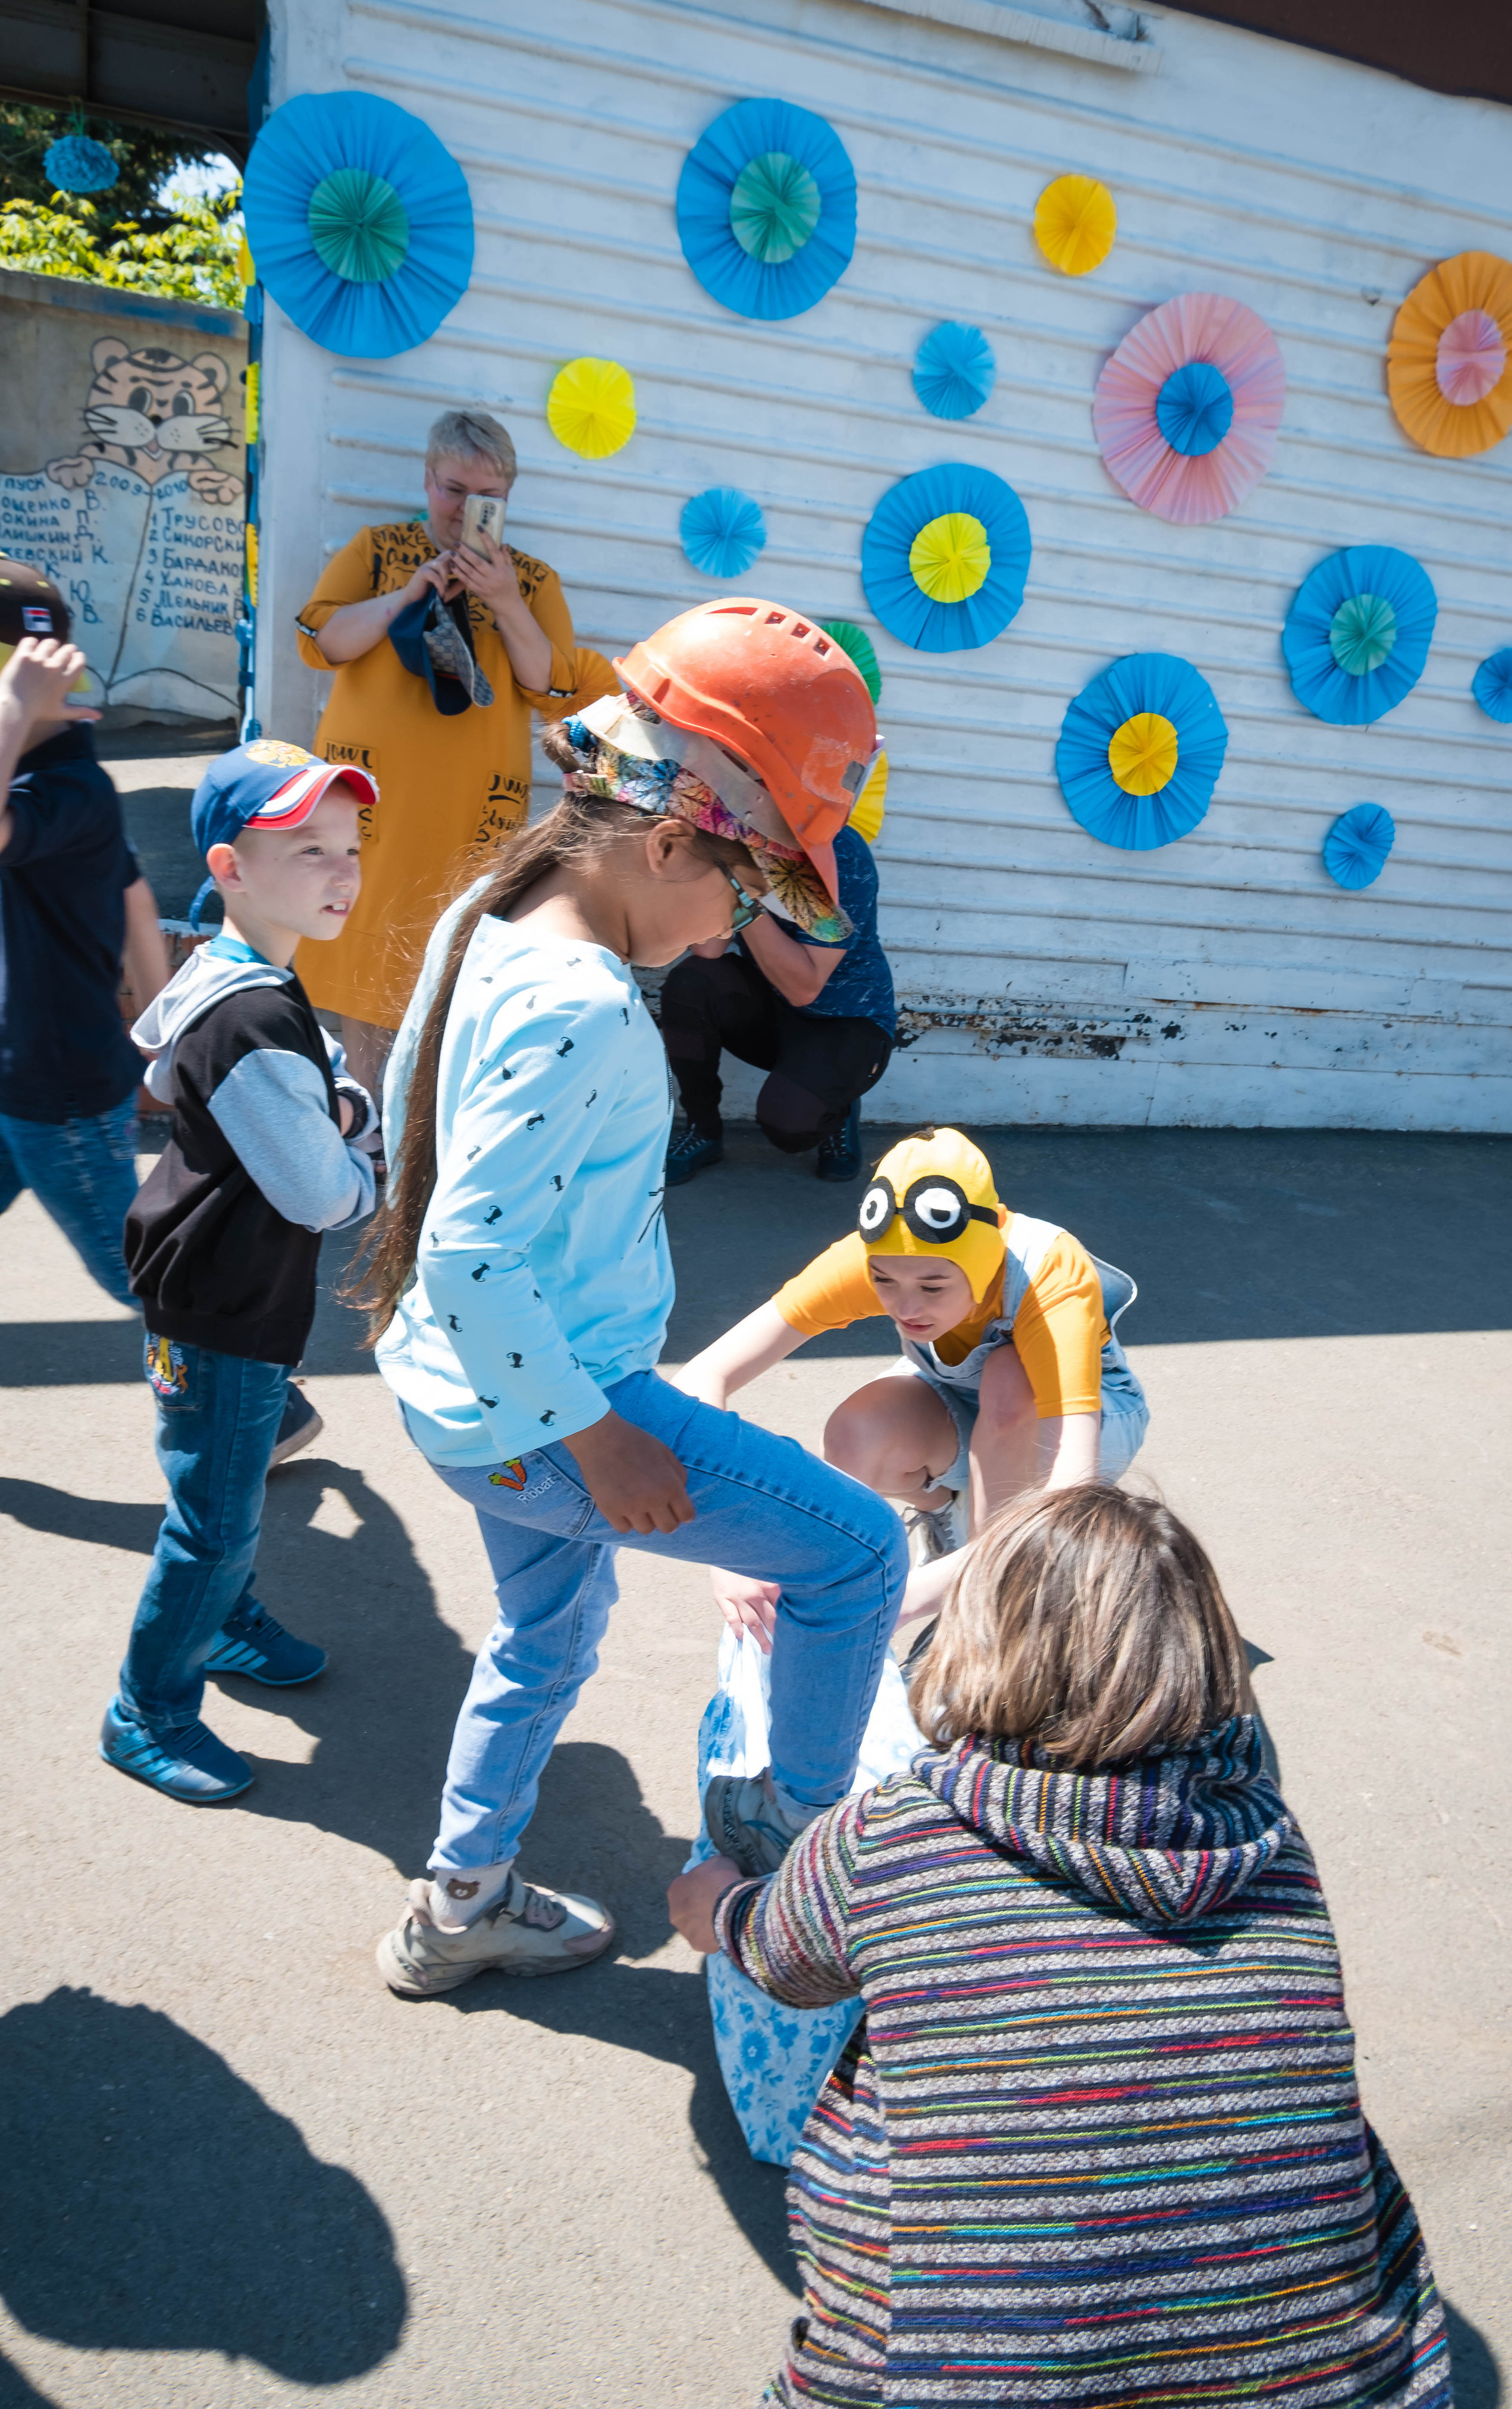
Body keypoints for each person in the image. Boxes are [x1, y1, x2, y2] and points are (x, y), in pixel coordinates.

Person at [353, 599, 906, 1998]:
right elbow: (470, 1254)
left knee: (545, 1632)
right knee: (852, 1555)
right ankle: (792, 1869)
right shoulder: (588, 1005)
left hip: (454, 1392)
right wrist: (601, 1440)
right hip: (554, 1407)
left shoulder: (490, 919)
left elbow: (420, 1157)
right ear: (667, 840)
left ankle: (458, 1900)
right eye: (741, 894)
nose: (731, 936)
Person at [669, 1482, 1451, 2409]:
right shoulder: (1270, 1844)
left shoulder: (896, 1833)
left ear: (978, 1640)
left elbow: (780, 1962)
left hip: (974, 2376)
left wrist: (715, 1903)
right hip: (1331, 2386)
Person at [108, 741, 381, 1803]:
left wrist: (336, 1109)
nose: (340, 870)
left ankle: (219, 1621)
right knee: (211, 1524)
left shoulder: (243, 978)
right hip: (223, 1308)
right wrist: (368, 1157)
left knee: (223, 1491)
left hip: (224, 1293)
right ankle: (148, 1709)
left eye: (348, 847)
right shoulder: (254, 1015)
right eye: (306, 849)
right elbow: (322, 1190)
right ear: (228, 867)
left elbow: (318, 1089)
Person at [674, 1124, 1147, 1650]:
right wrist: (736, 1543)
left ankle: (993, 1605)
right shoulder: (877, 1258)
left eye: (933, 1286)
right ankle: (950, 1519)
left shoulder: (1050, 1272)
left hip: (1094, 1418)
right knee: (858, 1432)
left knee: (1008, 1376)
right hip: (964, 1401)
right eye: (885, 1284)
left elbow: (1071, 1492)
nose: (908, 1308)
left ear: (984, 1264)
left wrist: (896, 1601)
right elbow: (701, 1377)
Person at [291, 408, 618, 1099]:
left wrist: (503, 600)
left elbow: (553, 690)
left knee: (454, 963)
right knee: (366, 957)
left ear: (508, 500)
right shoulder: (378, 547)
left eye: (487, 499)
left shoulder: (530, 580)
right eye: (452, 490)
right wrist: (404, 596)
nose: (466, 509)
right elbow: (323, 643)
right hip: (375, 807)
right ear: (426, 479)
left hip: (470, 808)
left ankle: (420, 1142)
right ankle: (374, 1140)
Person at [0, 567, 169, 1313]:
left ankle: (259, 1393)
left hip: (60, 1089)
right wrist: (163, 1014)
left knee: (129, 1269)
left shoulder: (69, 785)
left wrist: (15, 706)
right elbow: (133, 893)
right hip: (19, 1073)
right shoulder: (38, 763)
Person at [660, 808, 892, 1189]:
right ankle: (703, 1130)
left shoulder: (836, 850)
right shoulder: (736, 837)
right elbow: (708, 950)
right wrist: (716, 859)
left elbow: (805, 987)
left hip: (847, 1019)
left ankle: (839, 1104)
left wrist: (744, 897)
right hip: (775, 1006)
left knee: (791, 1126)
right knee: (691, 983)